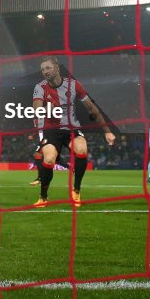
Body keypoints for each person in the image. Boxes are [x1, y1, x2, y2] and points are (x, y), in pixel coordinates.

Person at [32, 55, 116, 207]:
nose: (45, 71)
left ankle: (76, 190)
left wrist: (107, 131)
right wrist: (47, 108)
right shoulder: (40, 87)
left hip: (71, 128)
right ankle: (43, 196)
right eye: (43, 69)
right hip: (51, 129)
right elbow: (36, 109)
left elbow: (91, 108)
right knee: (49, 159)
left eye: (48, 68)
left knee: (82, 149)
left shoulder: (74, 85)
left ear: (57, 68)